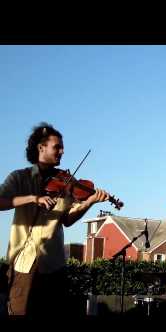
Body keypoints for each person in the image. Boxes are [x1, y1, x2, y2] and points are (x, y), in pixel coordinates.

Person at [0, 123, 110, 316]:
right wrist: (33, 198)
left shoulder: (66, 183)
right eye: (57, 146)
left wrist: (90, 201)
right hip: (24, 263)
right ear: (41, 148)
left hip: (54, 264)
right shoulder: (19, 178)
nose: (62, 150)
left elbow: (66, 220)